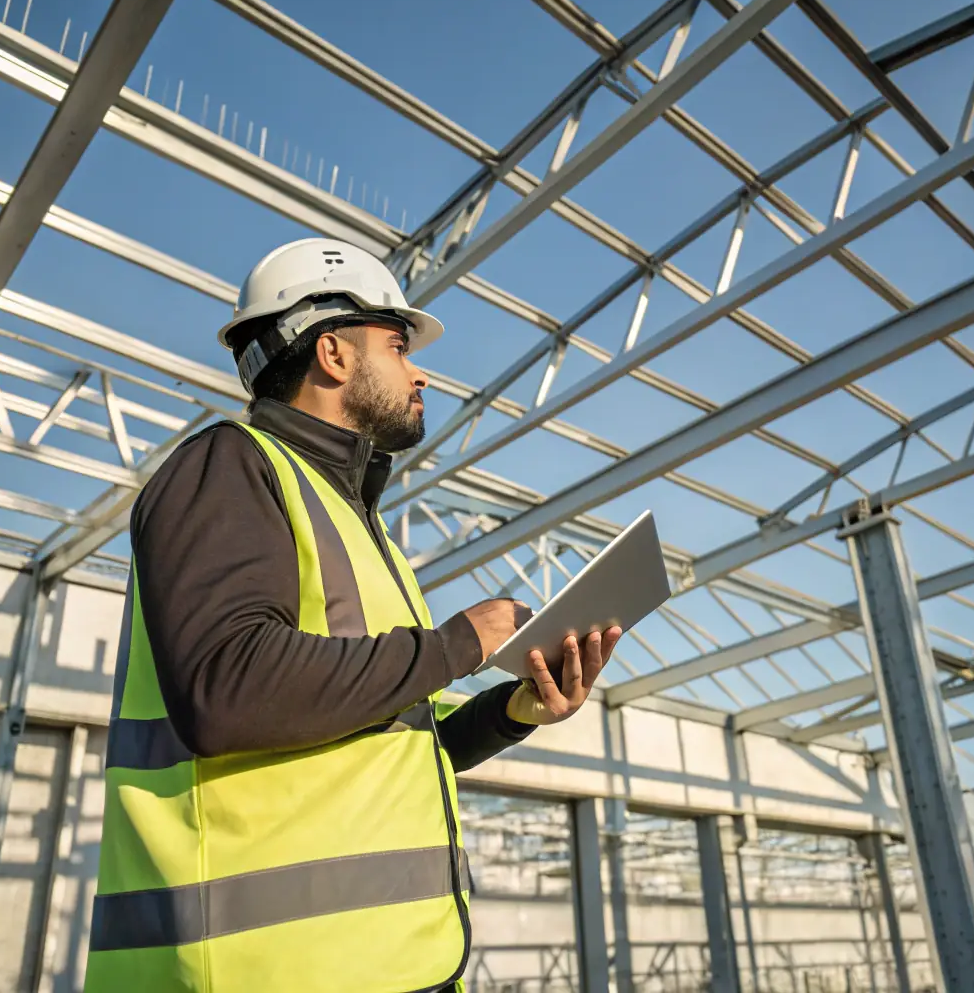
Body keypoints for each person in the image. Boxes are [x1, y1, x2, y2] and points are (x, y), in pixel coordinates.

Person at [84, 238, 622, 993]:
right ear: (332, 354)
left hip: (397, 966)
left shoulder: (355, 523)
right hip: (256, 973)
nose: (419, 370)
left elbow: (406, 736)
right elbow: (225, 689)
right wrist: (460, 643)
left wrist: (517, 707)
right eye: (398, 347)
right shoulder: (230, 467)